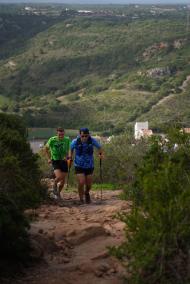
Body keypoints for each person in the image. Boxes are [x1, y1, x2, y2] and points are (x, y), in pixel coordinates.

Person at [70, 127, 102, 204]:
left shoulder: (92, 140)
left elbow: (100, 147)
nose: (84, 137)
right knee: (81, 182)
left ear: (88, 135)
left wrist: (100, 154)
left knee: (89, 184)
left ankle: (86, 193)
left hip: (90, 165)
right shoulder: (75, 141)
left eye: (86, 136)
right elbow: (70, 149)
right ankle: (81, 199)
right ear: (80, 135)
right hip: (78, 165)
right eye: (83, 136)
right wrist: (69, 157)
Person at [45, 127, 71, 199]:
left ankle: (58, 193)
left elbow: (69, 149)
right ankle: (54, 186)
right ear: (57, 134)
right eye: (59, 135)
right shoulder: (52, 140)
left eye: (62, 134)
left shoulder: (67, 139)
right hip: (55, 160)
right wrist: (48, 158)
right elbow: (46, 149)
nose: (61, 136)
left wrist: (69, 156)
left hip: (64, 160)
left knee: (63, 181)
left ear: (64, 133)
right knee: (59, 177)